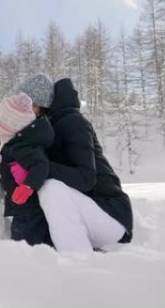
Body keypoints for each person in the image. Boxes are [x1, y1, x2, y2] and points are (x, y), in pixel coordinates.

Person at [41, 78, 133, 252]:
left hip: (111, 214)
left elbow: (86, 178)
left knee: (51, 188)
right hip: (92, 212)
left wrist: (42, 166)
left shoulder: (73, 122)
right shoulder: (52, 127)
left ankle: (80, 265)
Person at [0, 74, 55, 246]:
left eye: (34, 105)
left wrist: (28, 186)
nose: (27, 107)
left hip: (28, 207)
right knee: (25, 244)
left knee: (24, 247)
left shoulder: (27, 140)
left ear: (41, 109)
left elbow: (40, 165)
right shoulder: (15, 131)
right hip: (18, 204)